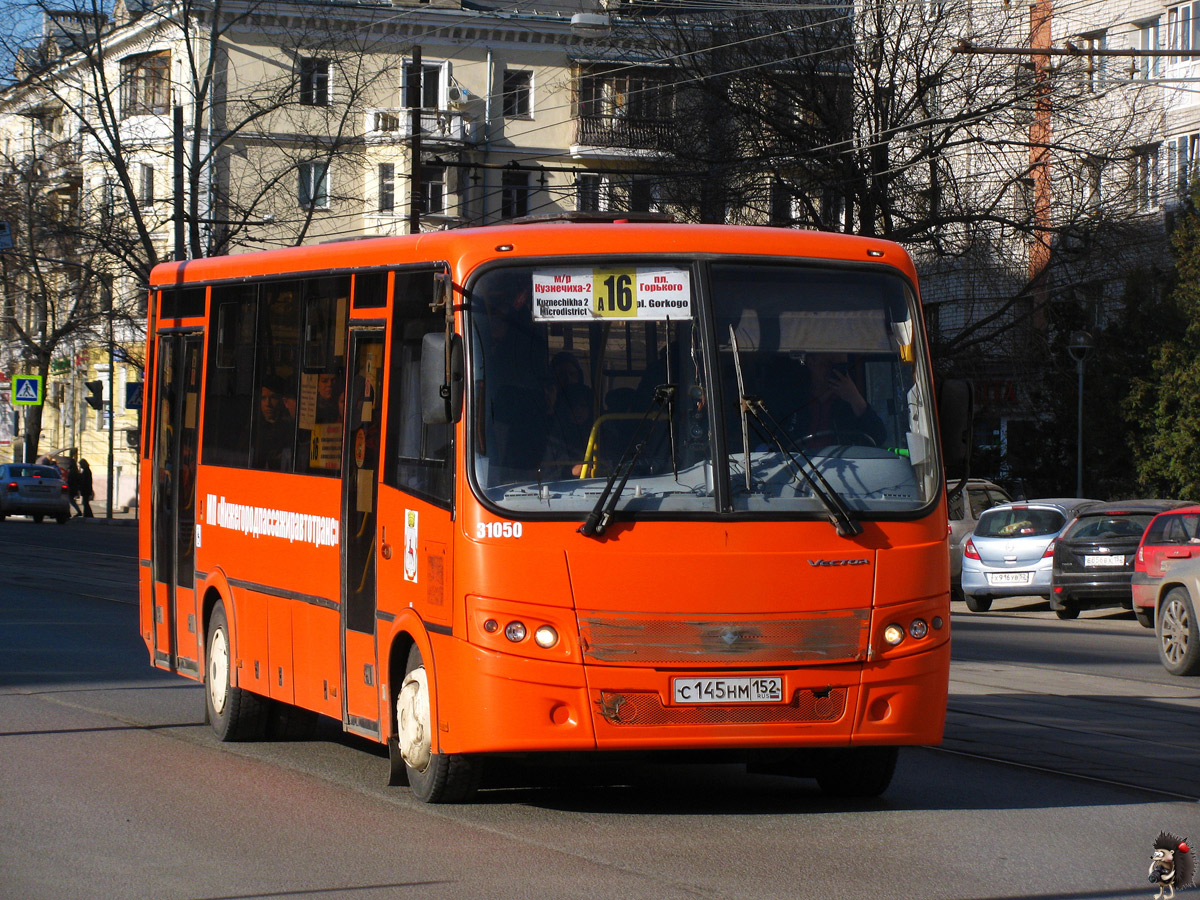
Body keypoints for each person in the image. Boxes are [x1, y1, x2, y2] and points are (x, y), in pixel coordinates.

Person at [781, 352, 886, 447]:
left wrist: (855, 398)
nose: (832, 371)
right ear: (810, 362)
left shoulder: (850, 407)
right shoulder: (793, 401)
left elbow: (878, 438)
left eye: (839, 366)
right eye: (827, 364)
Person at [253, 378, 296, 470]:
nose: (268, 403)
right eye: (263, 398)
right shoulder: (253, 428)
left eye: (273, 398)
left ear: (281, 401)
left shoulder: (289, 428)